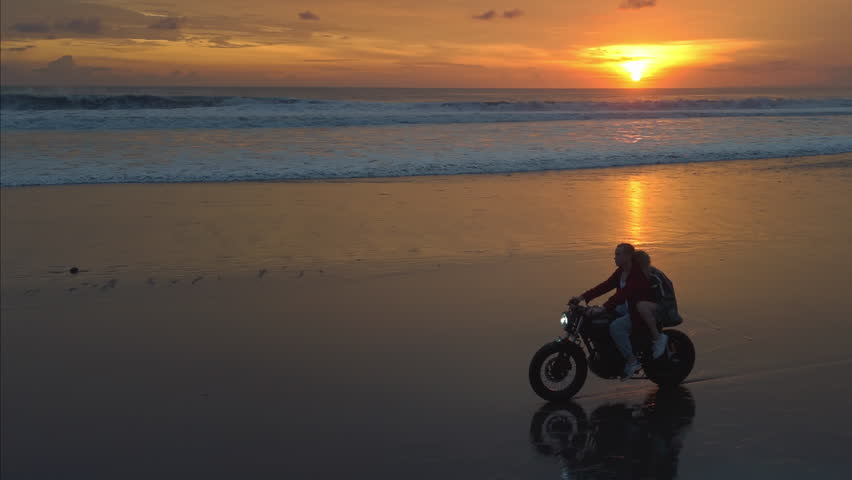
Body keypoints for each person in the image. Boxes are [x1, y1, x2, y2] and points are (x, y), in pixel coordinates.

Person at [570, 243, 651, 379]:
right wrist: (581, 297)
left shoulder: (637, 273)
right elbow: (605, 286)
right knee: (597, 318)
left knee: (616, 327)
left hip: (637, 312)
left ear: (628, 256)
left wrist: (604, 307)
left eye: (618, 254)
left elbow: (623, 294)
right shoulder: (621, 272)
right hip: (625, 307)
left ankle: (632, 361)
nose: (614, 258)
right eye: (615, 254)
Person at [632, 250, 669, 359]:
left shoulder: (653, 276)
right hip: (650, 304)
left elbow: (661, 297)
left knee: (641, 305)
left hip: (663, 305)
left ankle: (657, 338)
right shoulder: (636, 275)